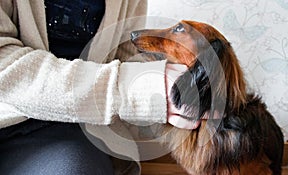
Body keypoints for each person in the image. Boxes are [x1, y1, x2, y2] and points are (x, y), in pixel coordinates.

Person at [0, 0, 195, 174]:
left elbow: (124, 55)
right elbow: (5, 66)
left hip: (75, 131)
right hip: (8, 121)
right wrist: (133, 89)